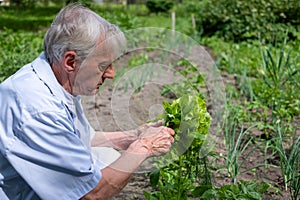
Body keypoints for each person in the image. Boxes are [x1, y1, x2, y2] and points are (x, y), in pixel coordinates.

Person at [0, 3, 175, 200]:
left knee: (108, 157)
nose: (111, 74)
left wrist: (132, 136)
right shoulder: (39, 109)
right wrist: (144, 147)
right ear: (70, 62)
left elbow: (81, 138)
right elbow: (90, 194)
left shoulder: (56, 80)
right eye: (103, 65)